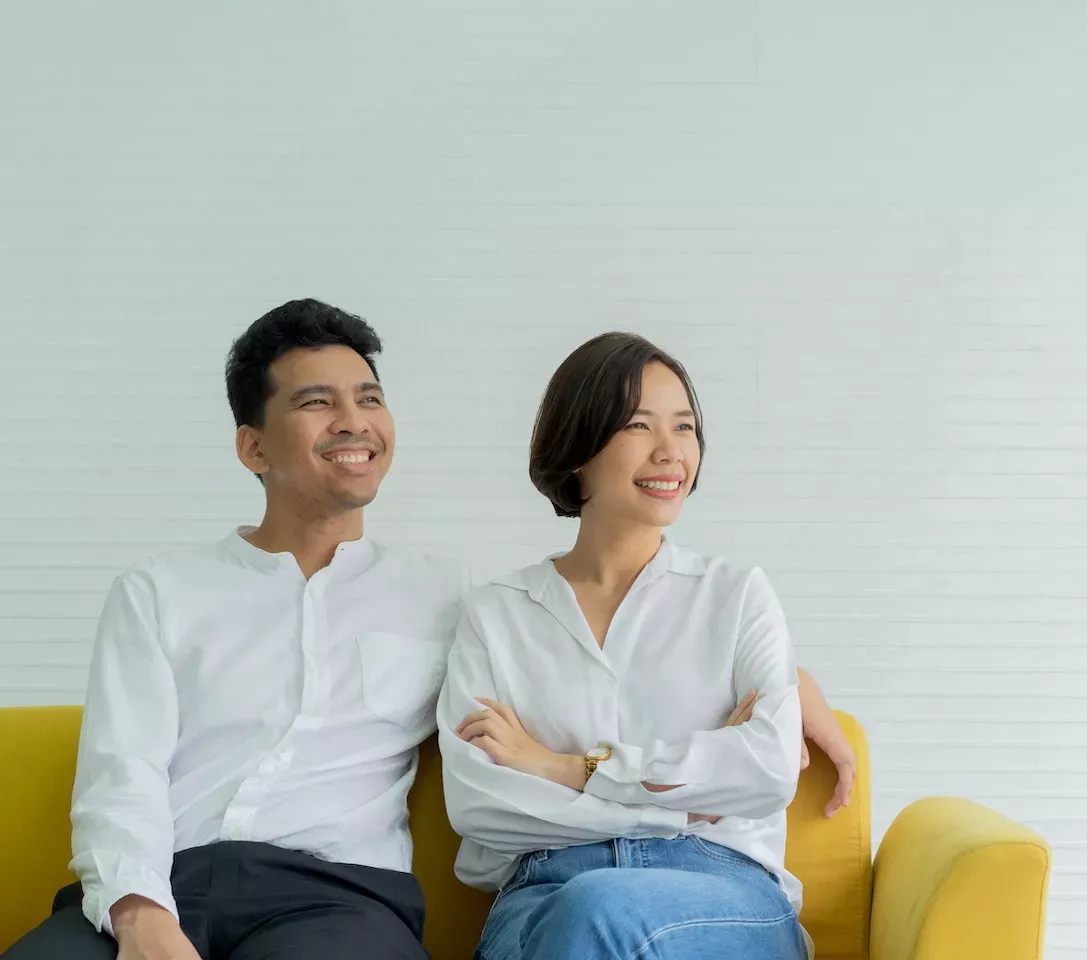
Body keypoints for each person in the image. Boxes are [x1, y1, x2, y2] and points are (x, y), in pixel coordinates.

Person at [2, 302, 851, 960]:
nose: (354, 421)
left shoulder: (442, 596)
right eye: (317, 402)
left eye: (368, 398)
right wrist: (140, 912)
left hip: (332, 902)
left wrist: (787, 690)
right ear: (252, 446)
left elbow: (663, 663)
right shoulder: (158, 592)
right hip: (162, 881)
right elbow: (123, 774)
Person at [438, 332, 813, 959]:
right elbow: (482, 806)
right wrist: (687, 801)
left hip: (719, 890)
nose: (671, 452)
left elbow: (769, 770)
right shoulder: (495, 613)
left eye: (685, 427)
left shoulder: (737, 595)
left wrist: (566, 769)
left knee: (595, 913)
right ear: (577, 447)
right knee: (577, 916)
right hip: (542, 892)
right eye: (639, 425)